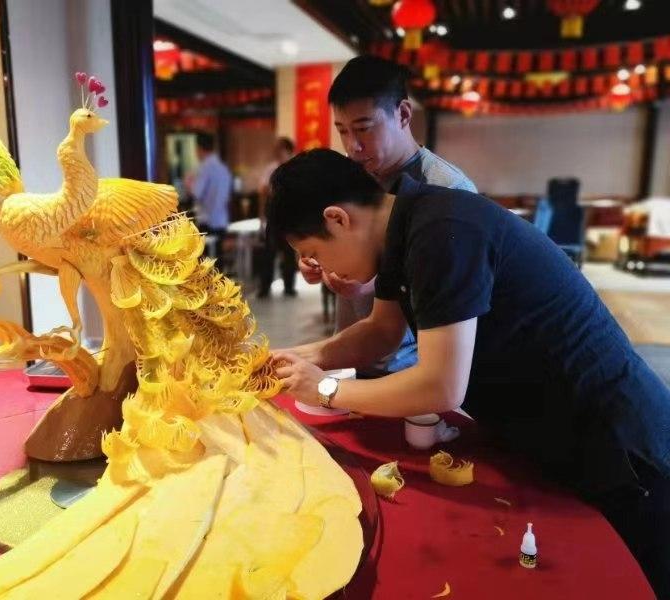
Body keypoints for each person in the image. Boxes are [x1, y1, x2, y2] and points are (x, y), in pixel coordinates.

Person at [267, 149, 670, 598]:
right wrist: (290, 358)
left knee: (635, 575)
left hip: (615, 441)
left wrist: (325, 388)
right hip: (551, 432)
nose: (323, 270)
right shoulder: (400, 230)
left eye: (315, 254)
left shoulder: (441, 231)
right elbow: (380, 333)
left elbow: (440, 385)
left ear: (338, 219)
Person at [299, 55, 475, 374]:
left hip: (414, 363)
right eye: (342, 131)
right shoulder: (350, 177)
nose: (353, 146)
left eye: (363, 129)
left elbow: (450, 294)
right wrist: (318, 259)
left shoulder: (449, 191)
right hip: (356, 348)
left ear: (403, 114)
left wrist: (368, 284)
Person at [257, 137, 297, 298]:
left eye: (280, 150)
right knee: (268, 253)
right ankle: (265, 287)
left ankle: (289, 286)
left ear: (288, 151)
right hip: (273, 216)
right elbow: (262, 192)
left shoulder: (295, 169)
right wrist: (261, 216)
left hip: (290, 217)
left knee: (289, 253)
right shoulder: (271, 169)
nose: (277, 153)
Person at [186, 131, 232, 263]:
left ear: (199, 149)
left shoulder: (204, 168)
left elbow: (196, 192)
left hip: (207, 221)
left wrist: (188, 182)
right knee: (219, 261)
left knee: (205, 264)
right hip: (221, 221)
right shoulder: (223, 168)